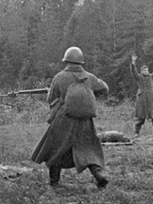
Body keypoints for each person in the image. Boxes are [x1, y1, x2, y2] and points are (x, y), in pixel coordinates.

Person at [31, 46, 110, 189]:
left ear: (66, 60)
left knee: (55, 148)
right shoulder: (90, 77)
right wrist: (91, 94)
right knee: (89, 148)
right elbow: (105, 88)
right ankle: (99, 175)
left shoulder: (59, 77)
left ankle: (54, 182)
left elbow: (51, 98)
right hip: (85, 121)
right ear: (81, 61)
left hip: (64, 120)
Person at [130, 52, 153, 137]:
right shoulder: (139, 77)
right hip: (142, 99)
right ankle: (136, 133)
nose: (146, 71)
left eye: (147, 70)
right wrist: (133, 62)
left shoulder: (151, 77)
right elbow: (133, 71)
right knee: (141, 118)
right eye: (144, 70)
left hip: (151, 98)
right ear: (141, 71)